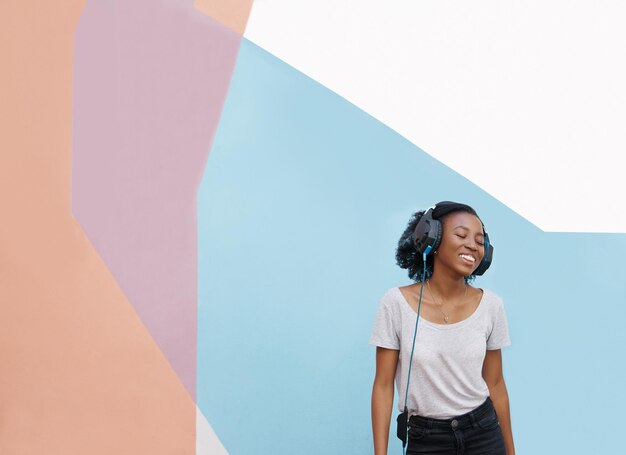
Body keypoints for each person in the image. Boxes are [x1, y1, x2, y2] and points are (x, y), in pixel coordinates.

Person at [370, 201, 515, 455]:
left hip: (483, 431)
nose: (472, 244)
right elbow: (383, 386)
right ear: (431, 239)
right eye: (461, 235)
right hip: (427, 439)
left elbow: (496, 383)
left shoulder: (491, 305)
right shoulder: (395, 304)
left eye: (480, 241)